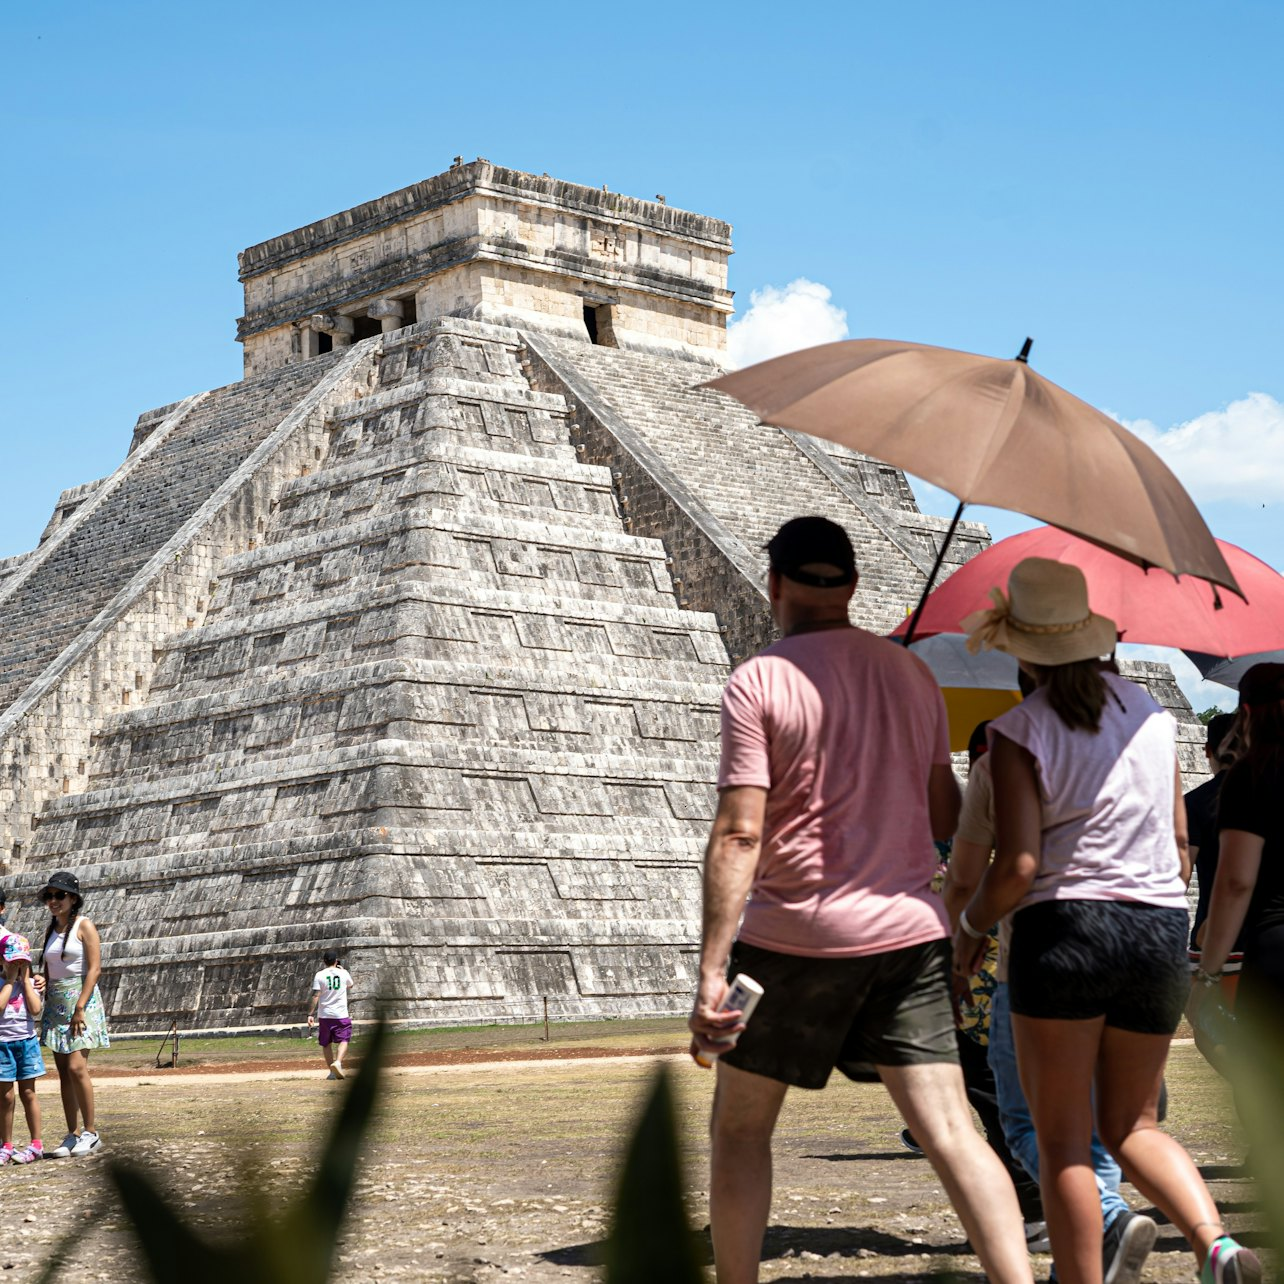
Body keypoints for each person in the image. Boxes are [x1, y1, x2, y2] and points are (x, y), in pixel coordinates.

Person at [688, 516, 1033, 1284]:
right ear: (851, 585)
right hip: (907, 935)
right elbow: (944, 814)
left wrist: (712, 970)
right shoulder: (911, 675)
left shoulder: (758, 680)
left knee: (741, 1133)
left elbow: (740, 833)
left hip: (790, 938)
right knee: (952, 1132)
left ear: (775, 584)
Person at [953, 558, 1258, 1284]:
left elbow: (1018, 864)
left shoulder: (1017, 731)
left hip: (1065, 930)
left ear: (1022, 651)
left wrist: (968, 929)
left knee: (1062, 1141)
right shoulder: (1151, 718)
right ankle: (1215, 1245)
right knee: (1134, 1126)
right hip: (1155, 928)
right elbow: (1179, 848)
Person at [947, 716, 1159, 1284]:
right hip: (1127, 951)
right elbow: (1178, 856)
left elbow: (973, 878)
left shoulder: (1001, 764)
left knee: (1022, 1122)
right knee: (1097, 1129)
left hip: (1033, 965)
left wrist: (962, 937)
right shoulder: (1135, 751)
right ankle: (1082, 1262)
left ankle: (1107, 1218)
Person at [1198, 663, 1284, 1037]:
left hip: (1274, 948)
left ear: (1246, 713)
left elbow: (1236, 882)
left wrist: (1208, 974)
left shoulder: (1253, 774)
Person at [39, 870, 109, 1158]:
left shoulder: (84, 925)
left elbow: (94, 969)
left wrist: (80, 1007)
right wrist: (42, 981)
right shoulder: (51, 928)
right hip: (56, 1002)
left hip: (81, 1000)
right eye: (49, 896)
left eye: (60, 895)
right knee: (64, 1073)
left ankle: (91, 1132)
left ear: (73, 898)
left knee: (78, 1067)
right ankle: (73, 1132)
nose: (53, 901)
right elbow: (51, 967)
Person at [0, 934, 45, 1164]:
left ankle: (36, 1144)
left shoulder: (31, 984)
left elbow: (35, 1009)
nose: (16, 966)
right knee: (6, 1096)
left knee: (29, 1093)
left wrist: (26, 981)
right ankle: (6, 1145)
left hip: (26, 1043)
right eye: (12, 961)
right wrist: (9, 981)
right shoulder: (2, 984)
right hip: (2, 1045)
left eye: (21, 962)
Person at [308, 949, 353, 1079]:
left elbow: (315, 995)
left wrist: (310, 1014)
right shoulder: (343, 973)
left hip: (325, 1015)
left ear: (324, 961)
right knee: (344, 1039)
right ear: (336, 961)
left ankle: (332, 1072)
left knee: (326, 1043)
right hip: (341, 1014)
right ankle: (338, 1062)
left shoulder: (319, 975)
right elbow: (350, 985)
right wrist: (343, 970)